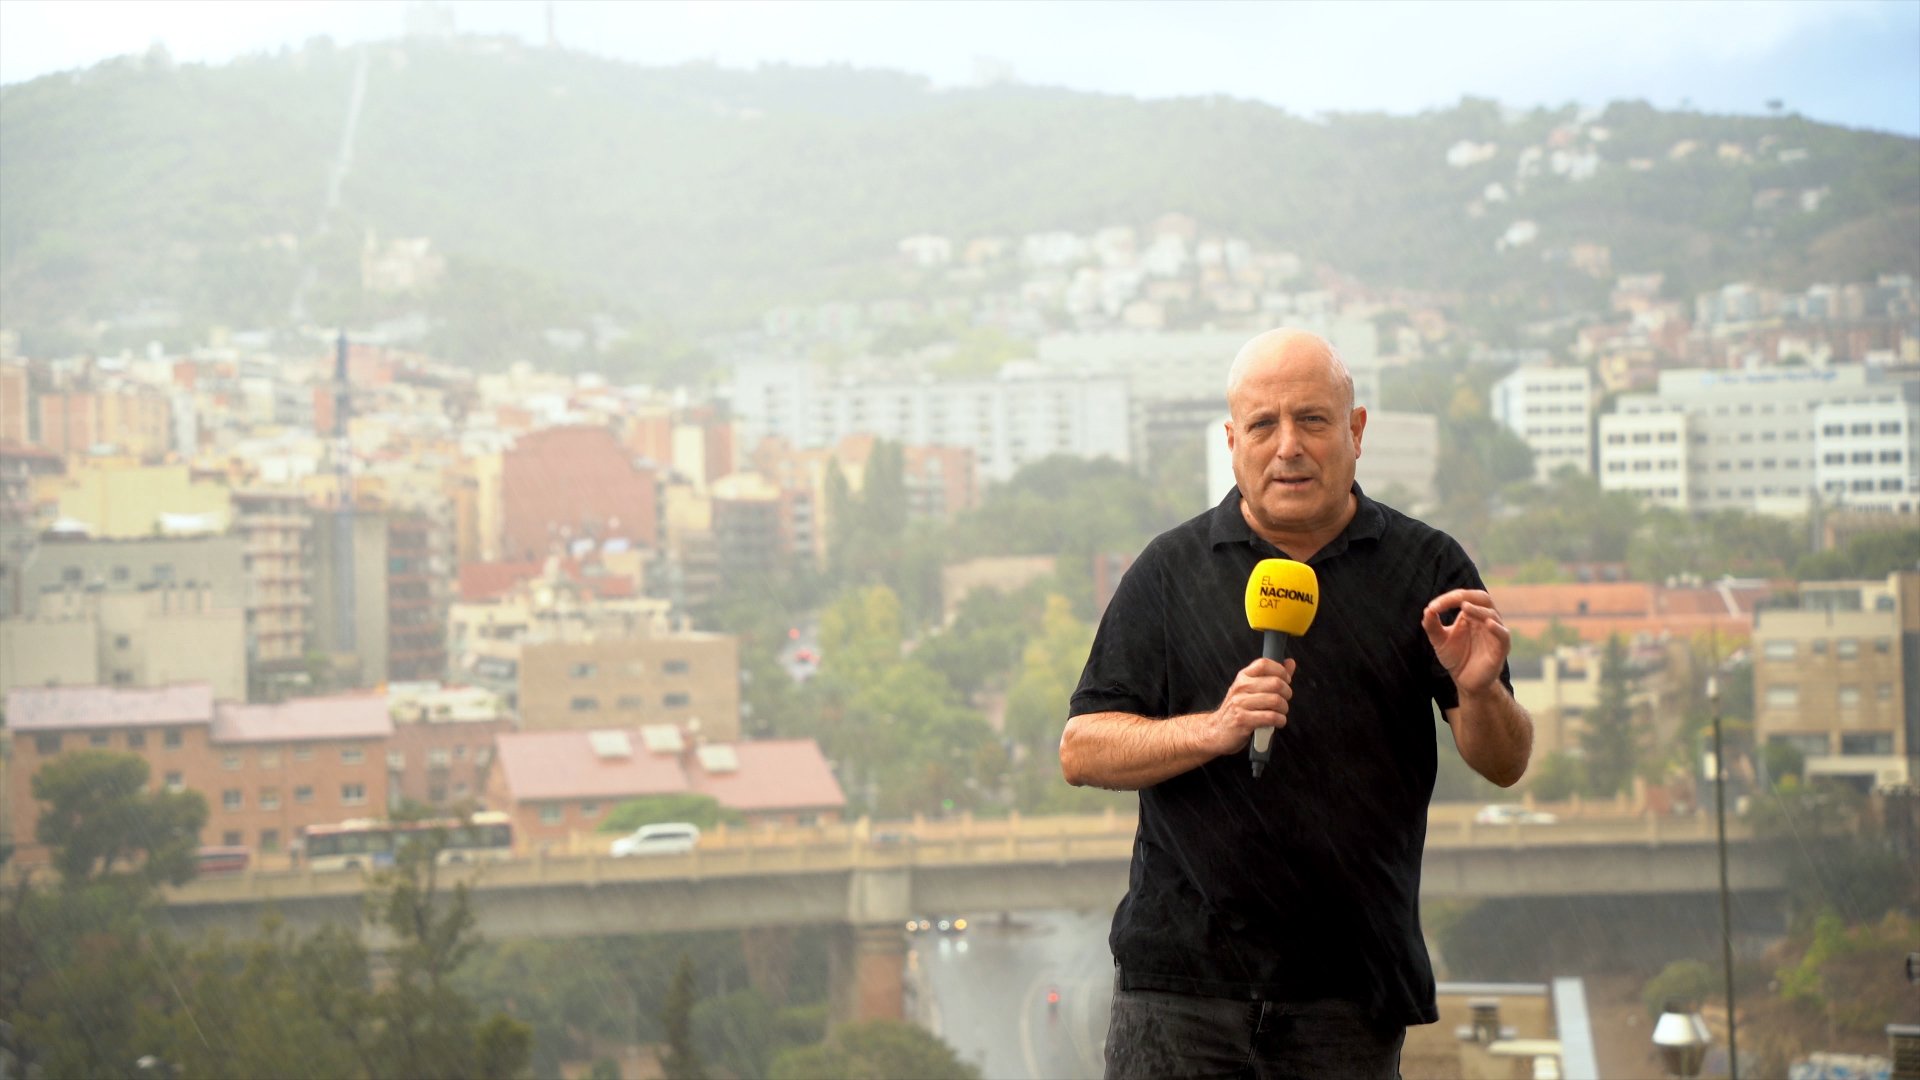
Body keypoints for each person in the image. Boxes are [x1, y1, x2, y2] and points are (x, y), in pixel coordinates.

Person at [1060, 328, 1533, 1079]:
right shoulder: (1168, 572)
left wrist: (1478, 692)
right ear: (1231, 441)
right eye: (1263, 424)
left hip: (1347, 994)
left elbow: (1505, 762)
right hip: (1180, 990)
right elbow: (1082, 748)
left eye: (1312, 419)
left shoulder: (1427, 569)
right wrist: (1213, 730)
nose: (1289, 446)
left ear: (1356, 430)